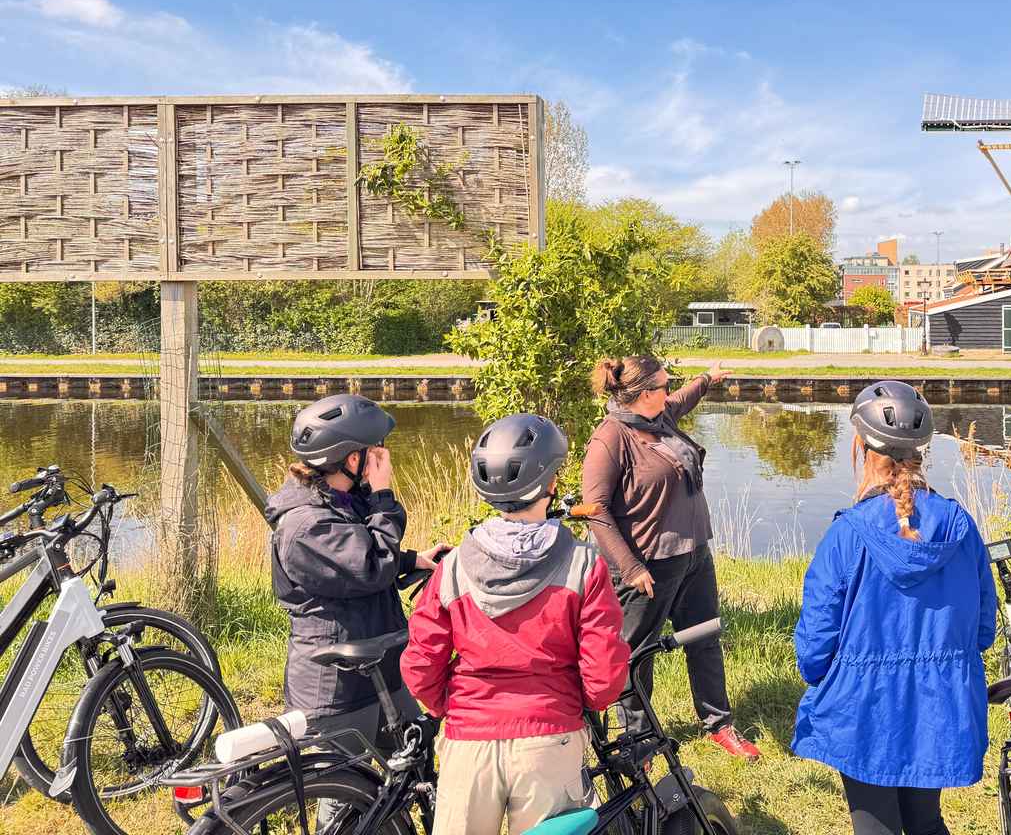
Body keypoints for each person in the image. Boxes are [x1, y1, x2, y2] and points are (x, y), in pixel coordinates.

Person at [402, 413, 630, 835]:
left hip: (470, 737)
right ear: (550, 485)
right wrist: (580, 703)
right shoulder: (584, 563)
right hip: (550, 736)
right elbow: (604, 671)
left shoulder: (452, 568)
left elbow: (420, 663)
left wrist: (450, 708)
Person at [791, 381, 999, 835]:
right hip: (939, 700)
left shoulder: (848, 534)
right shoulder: (960, 524)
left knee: (874, 824)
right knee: (926, 820)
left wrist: (822, 678)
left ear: (861, 447)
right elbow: (985, 626)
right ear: (920, 451)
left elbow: (815, 641)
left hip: (864, 706)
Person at [581, 355, 759, 761]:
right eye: (663, 384)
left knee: (704, 639)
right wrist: (630, 567)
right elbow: (596, 510)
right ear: (643, 394)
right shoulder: (610, 439)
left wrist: (708, 378)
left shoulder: (659, 416)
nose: (669, 389)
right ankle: (638, 739)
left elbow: (683, 398)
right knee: (636, 654)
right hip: (648, 565)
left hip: (694, 553)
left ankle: (719, 724)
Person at [266, 394, 448, 767]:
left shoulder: (339, 498)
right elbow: (369, 564)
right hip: (335, 688)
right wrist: (383, 493)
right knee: (344, 801)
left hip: (378, 669)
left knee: (415, 764)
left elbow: (359, 554)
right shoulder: (305, 525)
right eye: (377, 449)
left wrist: (413, 559)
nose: (384, 455)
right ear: (353, 459)